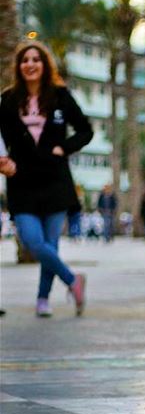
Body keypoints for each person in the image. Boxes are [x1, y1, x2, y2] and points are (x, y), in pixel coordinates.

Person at [0, 41, 92, 318]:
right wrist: (2, 162)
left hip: (55, 179)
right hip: (21, 180)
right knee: (32, 241)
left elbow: (85, 130)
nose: (30, 64)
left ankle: (43, 299)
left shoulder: (61, 96)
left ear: (44, 65)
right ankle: (72, 280)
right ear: (19, 67)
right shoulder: (8, 98)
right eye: (25, 60)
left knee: (50, 244)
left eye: (35, 60)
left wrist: (64, 147)